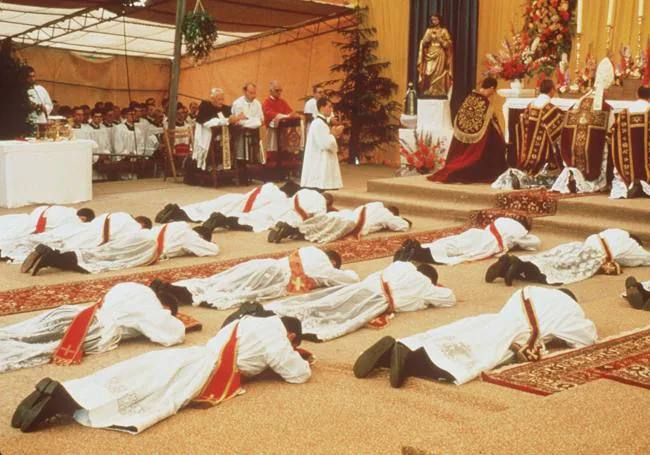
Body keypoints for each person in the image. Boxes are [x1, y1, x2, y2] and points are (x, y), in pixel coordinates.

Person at [11, 314, 309, 433]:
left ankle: (72, 389)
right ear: (292, 335)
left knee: (138, 372)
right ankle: (68, 402)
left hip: (191, 355)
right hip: (205, 372)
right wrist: (297, 356)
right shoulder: (277, 336)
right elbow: (297, 375)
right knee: (153, 397)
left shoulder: (246, 320)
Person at [353, 287, 596, 387]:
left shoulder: (533, 290)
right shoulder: (571, 309)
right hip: (517, 334)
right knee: (468, 358)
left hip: (493, 318)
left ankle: (401, 346)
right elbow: (586, 338)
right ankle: (409, 362)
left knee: (453, 334)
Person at [0, 282, 185, 375]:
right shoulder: (151, 308)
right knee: (38, 347)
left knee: (23, 331)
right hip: (96, 329)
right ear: (165, 307)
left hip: (75, 312)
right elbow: (173, 334)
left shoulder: (131, 287)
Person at [266, 261, 456, 341]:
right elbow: (449, 298)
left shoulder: (402, 265)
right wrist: (436, 287)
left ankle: (279, 312)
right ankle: (300, 327)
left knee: (327, 302)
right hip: (376, 301)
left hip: (364, 287)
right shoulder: (425, 286)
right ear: (429, 278)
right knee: (338, 317)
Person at [167, 246, 357, 310]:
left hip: (265, 264)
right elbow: (351, 279)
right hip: (275, 277)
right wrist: (344, 272)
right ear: (332, 261)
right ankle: (181, 294)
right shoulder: (326, 266)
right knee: (232, 289)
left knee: (220, 281)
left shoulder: (308, 249)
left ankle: (173, 288)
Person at [23, 220, 219, 276]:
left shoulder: (174, 225)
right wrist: (208, 240)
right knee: (103, 262)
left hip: (137, 237)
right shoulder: (190, 234)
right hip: (147, 247)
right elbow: (212, 251)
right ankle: (52, 259)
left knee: (99, 254)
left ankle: (53, 256)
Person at [485, 228, 650, 286]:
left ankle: (509, 266)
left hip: (577, 246)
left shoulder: (615, 231)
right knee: (560, 272)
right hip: (591, 256)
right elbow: (645, 259)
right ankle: (519, 266)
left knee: (548, 258)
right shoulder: (632, 247)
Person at [551, 58, 615, 194]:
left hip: (572, 147)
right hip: (592, 150)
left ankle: (575, 176)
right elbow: (611, 131)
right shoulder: (605, 107)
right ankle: (594, 181)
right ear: (606, 89)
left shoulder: (578, 103)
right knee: (607, 144)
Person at [428, 77, 507, 183]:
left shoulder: (470, 97)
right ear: (492, 88)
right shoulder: (485, 103)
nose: (493, 94)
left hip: (462, 139)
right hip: (479, 141)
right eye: (494, 91)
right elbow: (491, 122)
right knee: (496, 143)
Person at [492, 80, 565, 190]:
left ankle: (522, 177)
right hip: (543, 151)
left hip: (528, 148)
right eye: (554, 89)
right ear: (551, 90)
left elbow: (522, 123)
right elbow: (560, 127)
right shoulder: (549, 107)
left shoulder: (531, 105)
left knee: (528, 169)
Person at [16, 212, 147, 269]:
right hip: (97, 237)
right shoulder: (133, 225)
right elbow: (123, 238)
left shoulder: (117, 214)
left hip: (86, 229)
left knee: (62, 239)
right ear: (142, 224)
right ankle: (49, 255)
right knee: (76, 250)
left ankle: (42, 248)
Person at [393, 217, 540, 265]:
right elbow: (534, 243)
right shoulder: (521, 230)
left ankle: (418, 247)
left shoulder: (503, 220)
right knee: (458, 253)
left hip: (478, 233)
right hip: (489, 243)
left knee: (453, 242)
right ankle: (419, 253)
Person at [269, 201, 410, 244]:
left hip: (343, 214)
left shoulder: (371, 205)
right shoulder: (386, 214)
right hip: (351, 223)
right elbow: (401, 226)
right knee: (325, 232)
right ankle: (289, 231)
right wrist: (405, 221)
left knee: (318, 226)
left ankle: (289, 229)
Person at [156, 181, 296, 224]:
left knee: (208, 205)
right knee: (212, 212)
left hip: (236, 198)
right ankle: (179, 214)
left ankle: (179, 210)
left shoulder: (269, 185)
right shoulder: (282, 199)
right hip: (242, 206)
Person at [210, 187, 332, 233]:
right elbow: (318, 220)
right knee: (256, 222)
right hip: (291, 215)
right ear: (327, 201)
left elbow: (295, 197)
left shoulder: (307, 191)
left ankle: (223, 217)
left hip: (282, 205)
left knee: (255, 215)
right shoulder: (322, 204)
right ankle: (224, 221)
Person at [0, 206, 91, 260]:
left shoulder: (67, 210)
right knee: (12, 237)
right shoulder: (72, 217)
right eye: (82, 219)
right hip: (34, 223)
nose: (81, 222)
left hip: (34, 216)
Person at [609, 85, 650, 199]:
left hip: (628, 160)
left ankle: (633, 182)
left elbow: (614, 132)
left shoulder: (623, 112)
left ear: (637, 95)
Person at [192, 88, 242, 171]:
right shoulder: (205, 107)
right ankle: (210, 166)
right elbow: (208, 123)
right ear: (212, 99)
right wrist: (226, 121)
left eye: (222, 99)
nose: (221, 102)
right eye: (219, 99)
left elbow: (230, 118)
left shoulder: (225, 108)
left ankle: (224, 166)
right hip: (209, 135)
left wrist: (234, 119)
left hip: (224, 137)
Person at [300, 98, 344, 191]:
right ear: (322, 108)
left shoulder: (322, 123)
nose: (331, 109)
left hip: (322, 159)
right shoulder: (318, 123)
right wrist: (334, 134)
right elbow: (326, 144)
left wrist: (333, 134)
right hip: (319, 163)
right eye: (329, 107)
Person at [231, 82, 265, 184]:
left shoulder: (257, 103)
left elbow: (261, 119)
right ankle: (242, 175)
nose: (253, 96)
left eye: (254, 93)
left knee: (253, 153)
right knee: (242, 153)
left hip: (254, 132)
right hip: (240, 132)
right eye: (251, 93)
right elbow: (239, 120)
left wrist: (250, 120)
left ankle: (253, 174)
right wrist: (252, 121)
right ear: (244, 91)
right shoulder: (238, 103)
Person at [417, 14, 453, 98]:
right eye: (432, 20)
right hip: (430, 53)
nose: (434, 21)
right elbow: (424, 42)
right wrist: (427, 38)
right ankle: (429, 89)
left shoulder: (444, 31)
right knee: (428, 72)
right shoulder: (428, 30)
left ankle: (438, 90)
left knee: (438, 72)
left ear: (439, 20)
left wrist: (440, 40)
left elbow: (449, 44)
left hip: (440, 53)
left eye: (435, 20)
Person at [262, 80, 299, 154]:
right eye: (277, 90)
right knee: (273, 149)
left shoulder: (282, 102)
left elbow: (289, 111)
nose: (279, 92)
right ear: (270, 91)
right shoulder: (266, 102)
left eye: (280, 90)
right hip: (272, 130)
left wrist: (293, 114)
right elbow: (270, 114)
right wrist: (287, 116)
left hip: (284, 128)